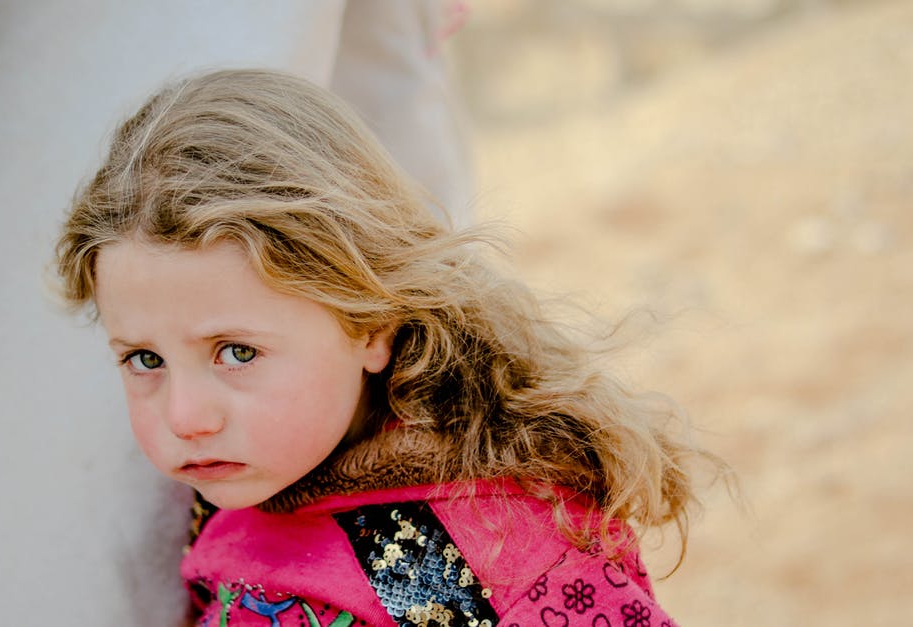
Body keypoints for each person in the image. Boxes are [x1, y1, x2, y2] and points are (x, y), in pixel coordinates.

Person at [54, 68, 721, 627]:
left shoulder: (487, 562)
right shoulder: (244, 480)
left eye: (237, 352)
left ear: (370, 325)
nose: (185, 416)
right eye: (145, 360)